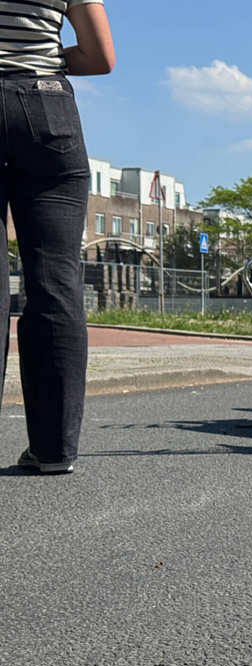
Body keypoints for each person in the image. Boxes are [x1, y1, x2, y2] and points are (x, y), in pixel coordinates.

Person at [1, 2, 115, 474]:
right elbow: (100, 56)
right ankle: (54, 450)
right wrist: (43, 58)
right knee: (57, 281)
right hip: (47, 105)